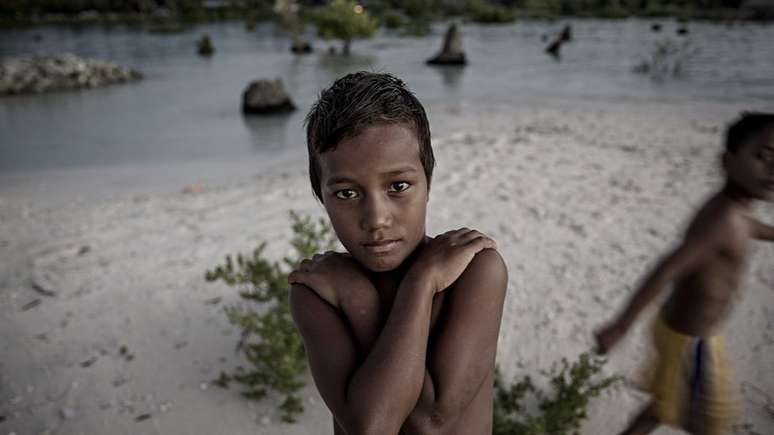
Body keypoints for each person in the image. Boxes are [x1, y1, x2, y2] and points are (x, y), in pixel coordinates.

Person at [287, 71, 508, 435]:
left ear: (428, 182)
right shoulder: (315, 291)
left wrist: (410, 285)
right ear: (319, 195)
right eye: (346, 193)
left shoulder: (475, 270)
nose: (376, 219)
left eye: (398, 186)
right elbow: (370, 427)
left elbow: (430, 422)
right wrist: (382, 292)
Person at [596, 112, 774, 435]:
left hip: (675, 328)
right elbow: (666, 270)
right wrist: (621, 325)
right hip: (693, 343)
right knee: (714, 422)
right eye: (763, 156)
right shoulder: (723, 220)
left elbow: (752, 228)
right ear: (727, 161)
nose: (772, 169)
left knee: (663, 405)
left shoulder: (734, 210)